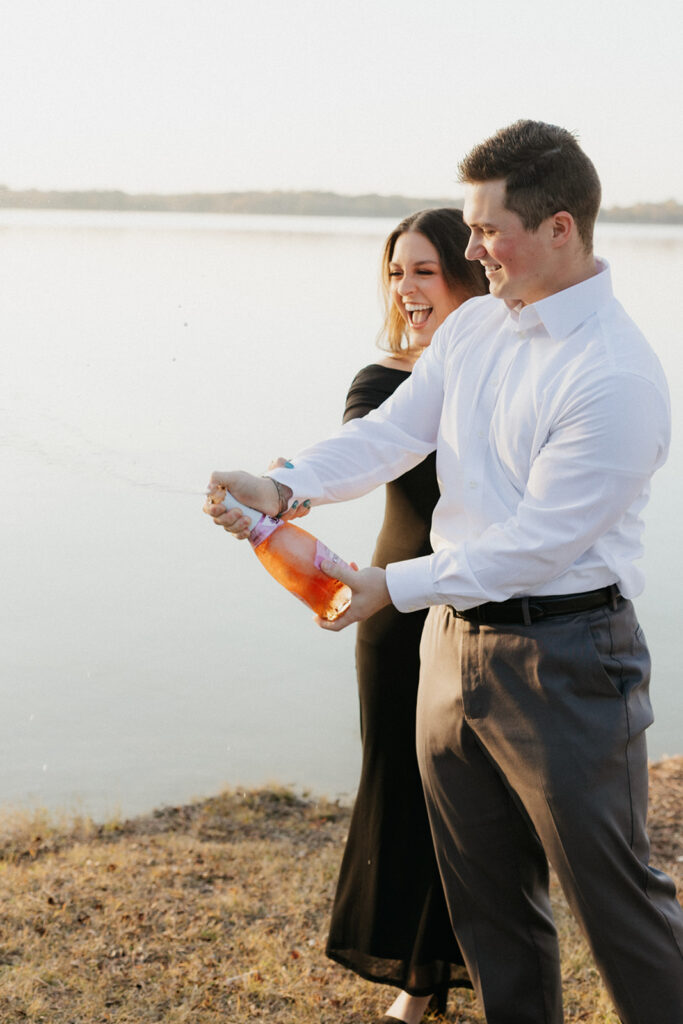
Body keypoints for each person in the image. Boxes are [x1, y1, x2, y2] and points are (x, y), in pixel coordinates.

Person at [205, 121, 683, 1023]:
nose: (469, 250)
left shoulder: (615, 373)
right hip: (449, 650)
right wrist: (283, 485)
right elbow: (392, 433)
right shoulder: (475, 333)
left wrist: (391, 586)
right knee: (489, 912)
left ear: (559, 229)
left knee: (619, 912)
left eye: (485, 230)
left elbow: (540, 542)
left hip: (568, 662)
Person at [325, 210, 487, 1024]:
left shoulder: (509, 372)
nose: (406, 290)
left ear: (468, 272)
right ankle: (418, 978)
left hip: (489, 606)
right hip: (395, 613)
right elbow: (368, 451)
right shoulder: (384, 380)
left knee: (482, 804)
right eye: (397, 273)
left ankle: (484, 959)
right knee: (405, 794)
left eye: (423, 271)